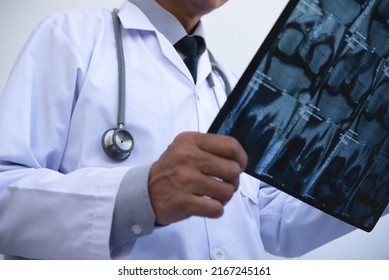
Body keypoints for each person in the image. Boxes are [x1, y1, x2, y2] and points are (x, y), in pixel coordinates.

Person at [0, 0, 375, 260]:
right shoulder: (72, 38)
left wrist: (374, 183)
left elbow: (270, 223)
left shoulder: (228, 84)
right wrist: (138, 198)